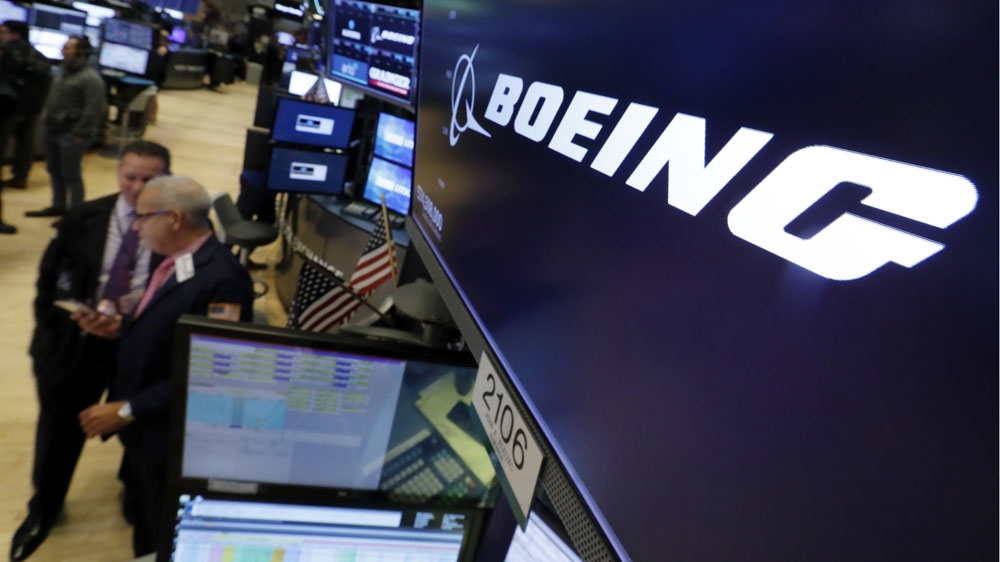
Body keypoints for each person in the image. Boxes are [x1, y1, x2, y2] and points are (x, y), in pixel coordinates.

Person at [75, 176, 254, 557]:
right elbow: (167, 322)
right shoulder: (176, 259)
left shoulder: (223, 280)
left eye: (143, 217)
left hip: (170, 437)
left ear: (174, 218)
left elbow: (212, 375)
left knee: (158, 532)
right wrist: (121, 326)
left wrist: (128, 409)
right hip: (145, 429)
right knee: (143, 514)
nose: (135, 226)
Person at [9, 141, 171, 562]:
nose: (137, 187)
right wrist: (61, 328)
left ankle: (133, 493)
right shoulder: (83, 217)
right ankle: (44, 508)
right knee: (57, 435)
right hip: (75, 348)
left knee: (137, 427)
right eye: (130, 177)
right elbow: (50, 280)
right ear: (118, 174)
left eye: (149, 179)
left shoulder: (176, 226)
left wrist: (132, 327)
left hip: (137, 351)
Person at [25, 36, 106, 218]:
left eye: (67, 48)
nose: (63, 50)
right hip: (53, 130)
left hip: (72, 133)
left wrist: (79, 133)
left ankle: (75, 215)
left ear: (80, 53)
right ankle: (58, 206)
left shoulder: (91, 79)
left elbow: (93, 110)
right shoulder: (62, 73)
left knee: (71, 174)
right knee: (54, 170)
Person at [0, 20, 52, 233]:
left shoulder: (9, 53)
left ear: (15, 35)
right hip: (30, 108)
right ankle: (20, 176)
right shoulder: (37, 55)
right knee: (25, 143)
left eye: (3, 31)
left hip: (10, 108)